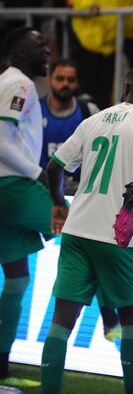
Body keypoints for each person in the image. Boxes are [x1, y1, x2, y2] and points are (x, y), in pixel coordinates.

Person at [40, 66, 133, 394]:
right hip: (117, 236)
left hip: (77, 230)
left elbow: (54, 167)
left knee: (61, 322)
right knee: (132, 319)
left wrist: (58, 204)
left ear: (125, 87)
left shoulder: (93, 120)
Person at [0, 27, 51, 387]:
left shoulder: (9, 81)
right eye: (39, 46)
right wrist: (40, 174)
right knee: (88, 229)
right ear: (18, 51)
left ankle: (1, 366)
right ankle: (115, 319)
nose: (47, 51)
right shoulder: (20, 84)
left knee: (17, 281)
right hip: (14, 188)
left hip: (10, 188)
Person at [69, 0, 123, 108]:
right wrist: (88, 6)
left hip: (110, 46)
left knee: (105, 93)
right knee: (87, 92)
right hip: (88, 46)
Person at [39, 60, 100, 171]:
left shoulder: (90, 111)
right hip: (41, 185)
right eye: (60, 79)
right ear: (49, 81)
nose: (65, 84)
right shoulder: (36, 110)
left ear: (77, 83)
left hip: (79, 186)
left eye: (71, 80)